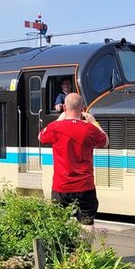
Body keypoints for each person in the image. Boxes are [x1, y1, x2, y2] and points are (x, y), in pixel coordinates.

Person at [38, 92, 109, 233]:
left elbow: (41, 136)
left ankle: (62, 252)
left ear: (64, 107)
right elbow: (106, 142)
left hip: (61, 186)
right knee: (87, 223)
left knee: (59, 223)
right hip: (85, 186)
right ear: (82, 108)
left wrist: (59, 119)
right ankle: (85, 253)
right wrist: (93, 122)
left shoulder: (55, 127)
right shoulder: (90, 129)